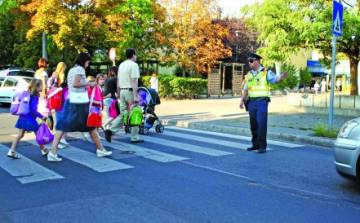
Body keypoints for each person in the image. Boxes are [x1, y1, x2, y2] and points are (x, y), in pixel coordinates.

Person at [48, 52, 112, 162]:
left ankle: (100, 149)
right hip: (77, 101)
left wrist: (87, 82)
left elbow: (73, 84)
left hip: (72, 100)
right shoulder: (80, 69)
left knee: (66, 126)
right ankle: (53, 152)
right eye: (88, 62)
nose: (88, 64)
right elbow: (75, 84)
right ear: (84, 61)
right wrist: (89, 84)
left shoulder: (72, 69)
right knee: (87, 125)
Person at [239, 53, 287, 154]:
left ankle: (262, 146)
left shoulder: (266, 72)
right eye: (248, 61)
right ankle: (255, 144)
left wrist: (281, 78)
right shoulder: (248, 74)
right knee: (253, 125)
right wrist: (242, 100)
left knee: (261, 124)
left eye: (251, 61)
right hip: (251, 102)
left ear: (257, 61)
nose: (249, 63)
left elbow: (276, 79)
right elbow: (246, 89)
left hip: (262, 102)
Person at [104, 48, 144, 143]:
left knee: (122, 114)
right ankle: (134, 137)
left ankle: (110, 131)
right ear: (133, 55)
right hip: (130, 92)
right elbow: (134, 80)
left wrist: (118, 92)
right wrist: (135, 95)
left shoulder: (121, 65)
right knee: (135, 113)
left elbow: (118, 80)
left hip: (122, 92)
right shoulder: (134, 65)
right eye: (136, 55)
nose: (136, 57)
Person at [7, 79, 50, 159]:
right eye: (41, 86)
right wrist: (42, 116)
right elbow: (33, 109)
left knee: (20, 134)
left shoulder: (27, 94)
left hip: (22, 117)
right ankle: (44, 149)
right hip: (30, 119)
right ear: (37, 87)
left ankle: (11, 151)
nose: (43, 87)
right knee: (38, 135)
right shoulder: (35, 96)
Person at [102, 66, 118, 130]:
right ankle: (104, 125)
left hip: (105, 99)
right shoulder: (115, 79)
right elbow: (118, 89)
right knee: (115, 114)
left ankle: (107, 129)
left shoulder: (107, 79)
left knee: (109, 116)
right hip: (110, 99)